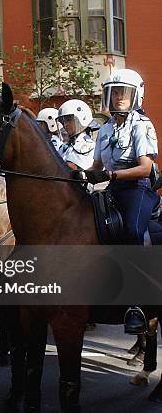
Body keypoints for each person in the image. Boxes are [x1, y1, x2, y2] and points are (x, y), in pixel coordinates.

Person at [84, 68, 162, 335]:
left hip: (137, 189)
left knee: (132, 230)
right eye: (114, 92)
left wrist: (111, 174)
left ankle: (137, 303)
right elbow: (95, 164)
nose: (118, 98)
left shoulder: (142, 125)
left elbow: (145, 167)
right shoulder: (104, 129)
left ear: (136, 96)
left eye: (124, 93)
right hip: (111, 188)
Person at [56, 99, 97, 170]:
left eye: (69, 120)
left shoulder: (88, 145)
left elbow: (73, 168)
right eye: (64, 121)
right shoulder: (65, 146)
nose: (65, 125)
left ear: (82, 118)